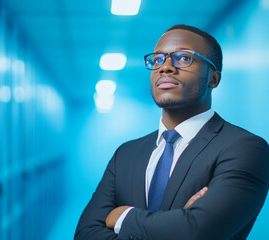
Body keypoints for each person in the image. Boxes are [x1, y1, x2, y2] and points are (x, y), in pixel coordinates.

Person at [74, 24, 269, 240]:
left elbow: (196, 231)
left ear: (213, 78)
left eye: (183, 58)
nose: (165, 67)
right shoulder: (126, 154)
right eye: (158, 60)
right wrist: (178, 224)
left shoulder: (245, 148)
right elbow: (85, 234)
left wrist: (123, 217)